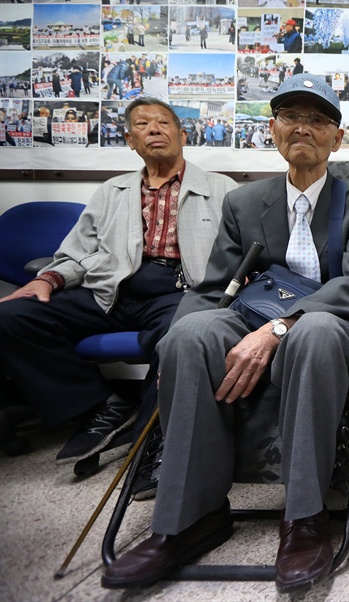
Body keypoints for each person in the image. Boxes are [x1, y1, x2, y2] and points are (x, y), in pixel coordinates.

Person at [102, 74, 349, 592]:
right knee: (188, 338)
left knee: (314, 333)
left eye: (318, 119)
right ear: (272, 129)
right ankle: (190, 517)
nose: (303, 128)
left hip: (325, 319)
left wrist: (278, 328)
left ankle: (304, 518)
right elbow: (215, 287)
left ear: (337, 138)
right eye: (291, 117)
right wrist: (171, 353)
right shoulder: (245, 203)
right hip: (248, 312)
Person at [0, 97, 236, 467]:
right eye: (142, 125)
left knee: (180, 338)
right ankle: (101, 405)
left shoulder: (223, 189)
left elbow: (240, 252)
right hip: (111, 288)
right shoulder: (113, 191)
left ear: (183, 134)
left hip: (178, 290)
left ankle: (152, 448)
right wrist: (49, 279)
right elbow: (79, 249)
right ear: (129, 140)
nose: (154, 130)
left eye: (163, 123)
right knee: (13, 317)